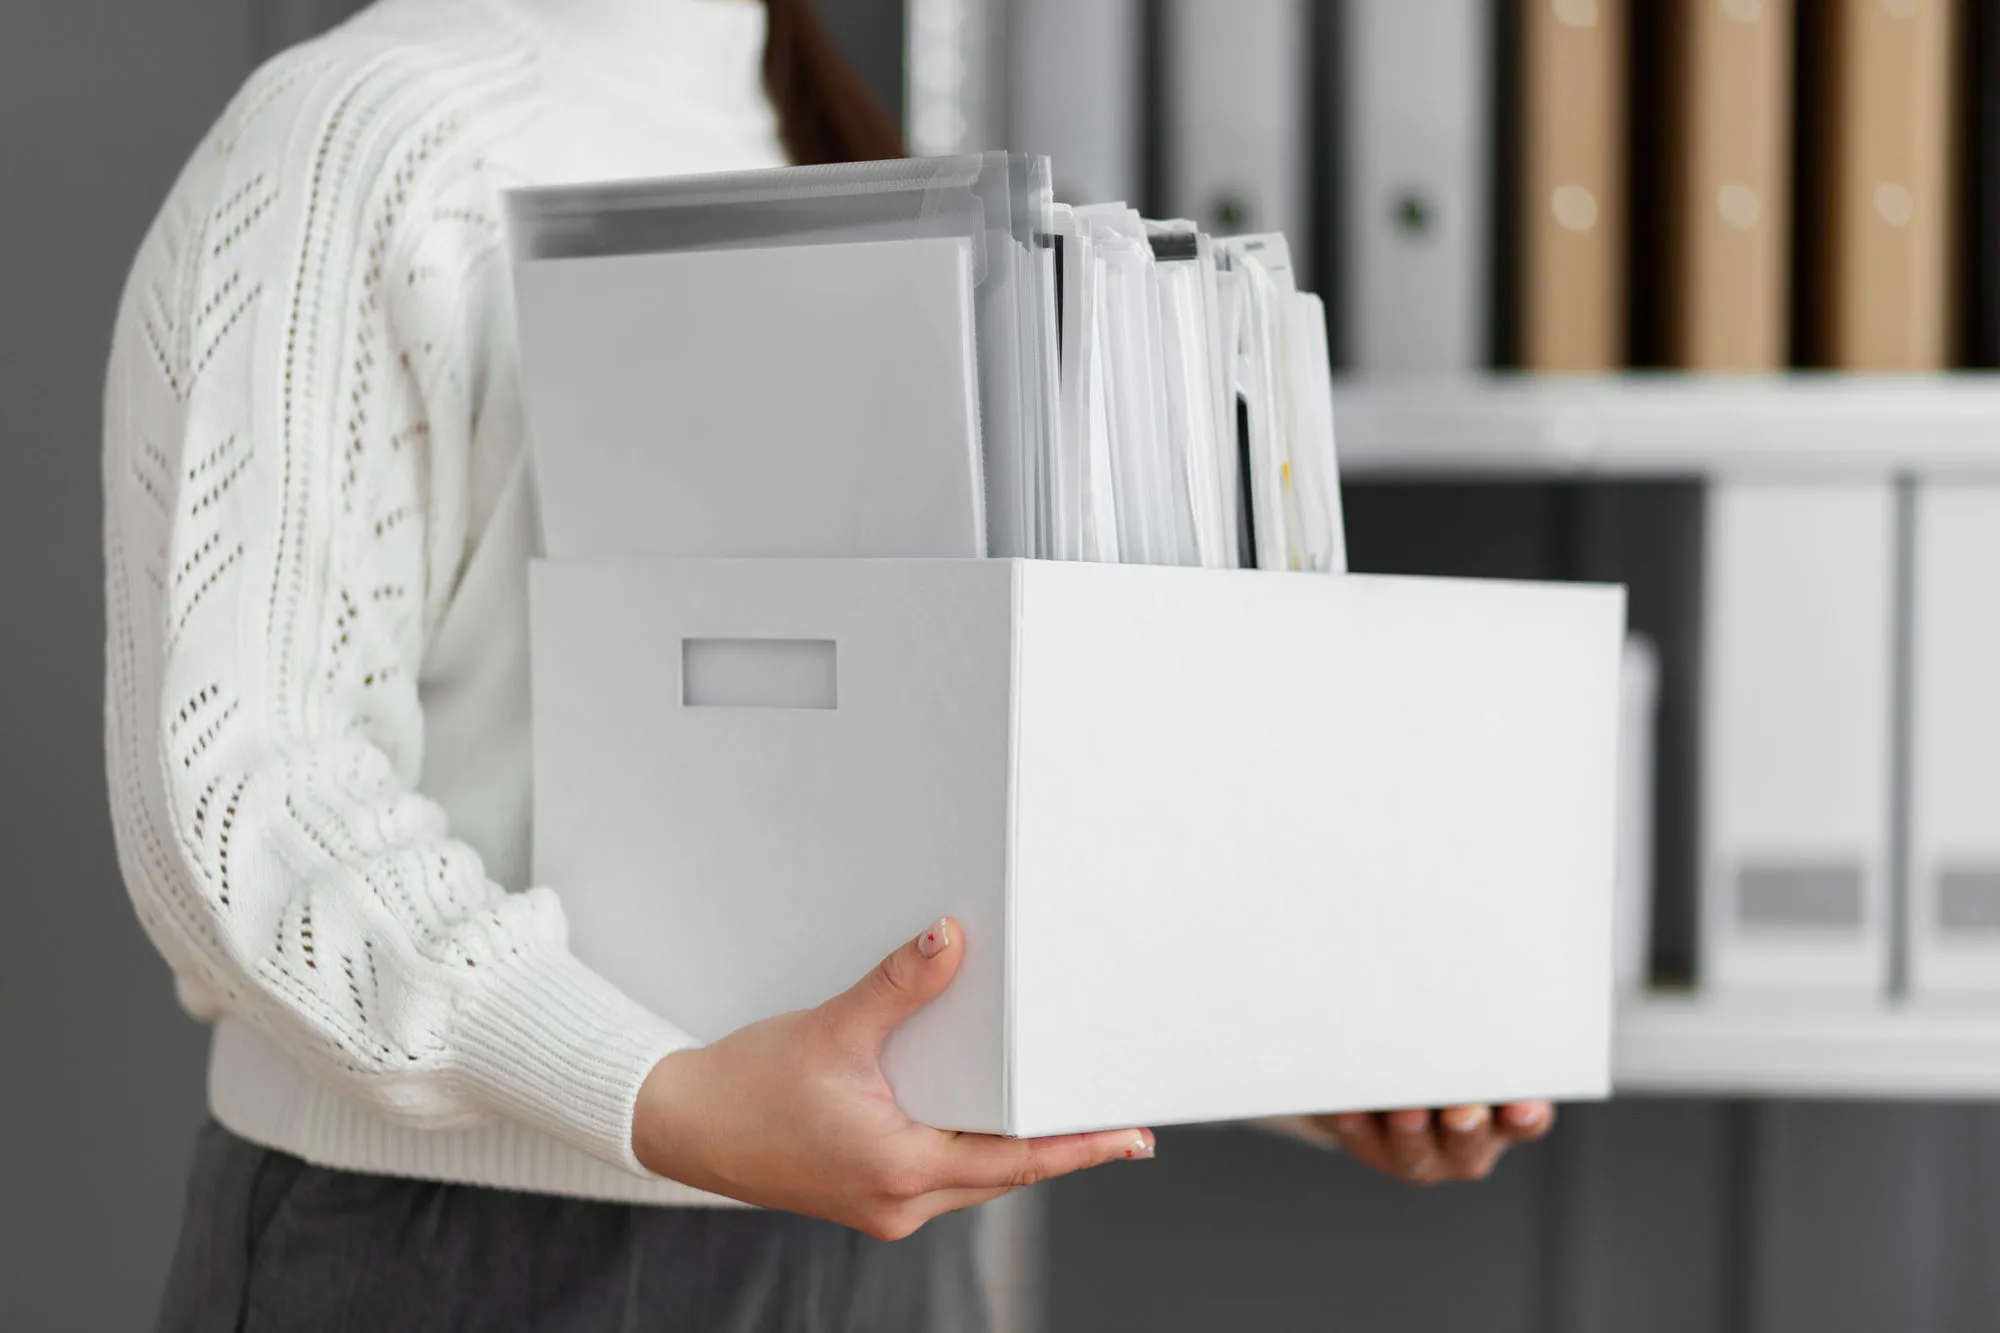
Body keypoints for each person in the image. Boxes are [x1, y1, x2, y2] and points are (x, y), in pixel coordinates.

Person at [102, 0, 1554, 1327]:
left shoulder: (833, 151)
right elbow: (242, 795)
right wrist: (655, 1096)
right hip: (463, 1253)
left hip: (871, 1256)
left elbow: (927, 822)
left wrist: (1308, 1055)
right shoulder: (356, 141)